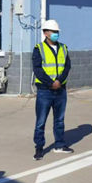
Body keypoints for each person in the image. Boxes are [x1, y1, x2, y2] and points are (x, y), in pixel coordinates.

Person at [32, 19, 73, 160]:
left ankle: (59, 145)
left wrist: (59, 81)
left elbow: (67, 67)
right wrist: (51, 83)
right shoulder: (39, 49)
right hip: (45, 91)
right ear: (45, 33)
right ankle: (39, 148)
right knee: (41, 121)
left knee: (59, 120)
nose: (56, 34)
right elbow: (37, 69)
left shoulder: (64, 48)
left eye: (57, 32)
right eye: (53, 31)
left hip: (60, 90)